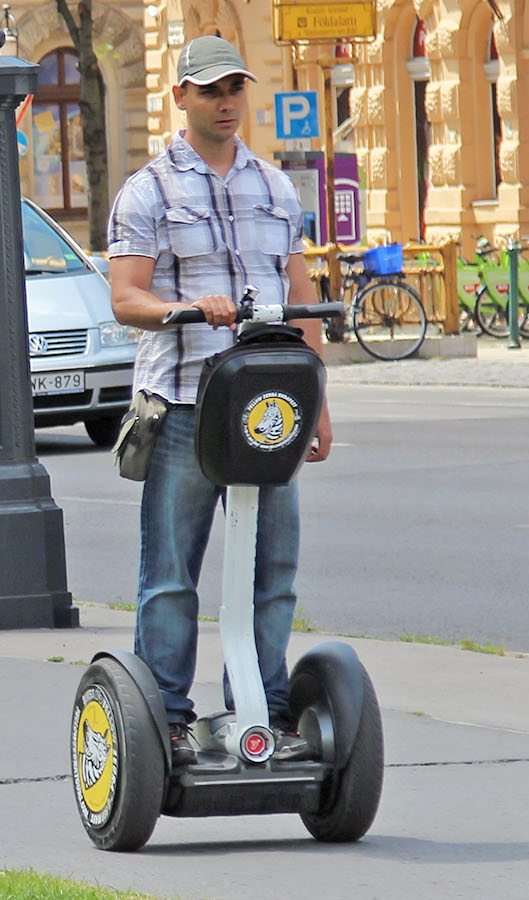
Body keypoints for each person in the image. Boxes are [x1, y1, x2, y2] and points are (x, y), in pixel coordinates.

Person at [106, 36, 330, 765]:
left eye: (235, 87)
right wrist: (185, 308)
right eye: (209, 90)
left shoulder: (276, 187)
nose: (226, 101)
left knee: (274, 573)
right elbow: (125, 299)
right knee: (171, 576)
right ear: (181, 98)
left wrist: (319, 402)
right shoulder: (148, 191)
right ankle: (167, 718)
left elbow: (302, 302)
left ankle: (259, 710)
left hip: (270, 411)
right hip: (183, 408)